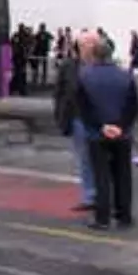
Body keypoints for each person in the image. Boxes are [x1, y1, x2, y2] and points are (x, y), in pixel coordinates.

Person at [76, 38, 138, 230]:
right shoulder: (126, 76)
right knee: (123, 175)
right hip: (123, 133)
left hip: (97, 134)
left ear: (94, 55)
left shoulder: (85, 76)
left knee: (101, 175)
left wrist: (101, 126)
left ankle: (102, 218)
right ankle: (124, 215)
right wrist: (120, 125)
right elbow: (133, 105)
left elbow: (83, 107)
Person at [53, 30, 99, 212]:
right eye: (87, 44)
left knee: (103, 160)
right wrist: (60, 116)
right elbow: (59, 92)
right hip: (78, 119)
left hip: (100, 121)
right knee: (85, 159)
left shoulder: (103, 65)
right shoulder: (69, 66)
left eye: (94, 44)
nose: (91, 47)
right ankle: (89, 196)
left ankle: (104, 195)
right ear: (79, 47)